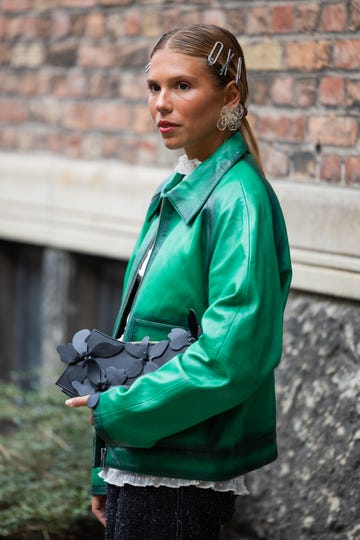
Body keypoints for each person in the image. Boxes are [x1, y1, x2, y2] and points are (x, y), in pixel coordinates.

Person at [65, 24, 292, 540]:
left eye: (182, 86)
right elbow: (136, 336)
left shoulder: (239, 201)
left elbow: (232, 357)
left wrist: (117, 413)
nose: (162, 104)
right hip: (144, 460)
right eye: (154, 87)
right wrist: (106, 464)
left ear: (229, 96)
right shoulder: (181, 187)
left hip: (178, 478)